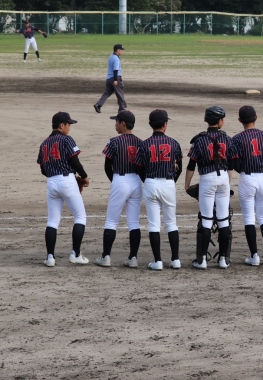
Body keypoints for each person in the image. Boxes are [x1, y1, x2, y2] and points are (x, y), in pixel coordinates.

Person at [184, 106, 236, 270]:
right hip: (223, 178)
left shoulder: (199, 140)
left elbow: (191, 165)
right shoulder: (227, 139)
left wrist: (187, 184)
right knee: (223, 219)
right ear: (219, 121)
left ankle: (202, 261)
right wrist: (227, 182)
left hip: (207, 178)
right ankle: (224, 260)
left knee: (206, 219)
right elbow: (231, 164)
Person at [37, 112, 90, 267]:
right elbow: (74, 160)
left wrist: (54, 175)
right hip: (67, 181)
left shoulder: (44, 144)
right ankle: (76, 254)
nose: (69, 128)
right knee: (80, 217)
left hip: (51, 182)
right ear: (62, 125)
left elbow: (43, 169)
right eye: (68, 124)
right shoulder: (66, 139)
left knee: (52, 221)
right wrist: (84, 176)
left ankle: (50, 258)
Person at [94, 110, 144, 268]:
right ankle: (133, 258)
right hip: (136, 181)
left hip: (120, 179)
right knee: (134, 222)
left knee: (111, 221)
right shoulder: (140, 142)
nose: (115, 124)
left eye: (117, 122)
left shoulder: (114, 141)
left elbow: (107, 166)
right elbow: (143, 167)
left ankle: (106, 257)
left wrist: (116, 181)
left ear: (123, 124)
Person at [231, 106, 263, 266]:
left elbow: (234, 163)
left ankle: (254, 256)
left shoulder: (237, 139)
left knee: (249, 218)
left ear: (240, 120)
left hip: (247, 178)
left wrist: (243, 169)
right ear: (256, 118)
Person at [137, 109, 184, 271]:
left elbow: (139, 168)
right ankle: (175, 259)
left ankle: (157, 261)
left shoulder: (144, 144)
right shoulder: (173, 143)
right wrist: (172, 181)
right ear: (165, 124)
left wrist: (147, 180)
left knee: (154, 225)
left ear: (151, 124)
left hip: (150, 182)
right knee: (171, 223)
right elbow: (180, 167)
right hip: (168, 183)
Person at [94, 44, 127, 113]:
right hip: (115, 78)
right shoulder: (116, 59)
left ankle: (98, 105)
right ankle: (122, 108)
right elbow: (115, 70)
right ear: (118, 50)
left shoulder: (110, 57)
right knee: (120, 93)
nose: (122, 51)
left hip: (108, 78)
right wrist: (116, 80)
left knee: (107, 93)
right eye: (121, 50)